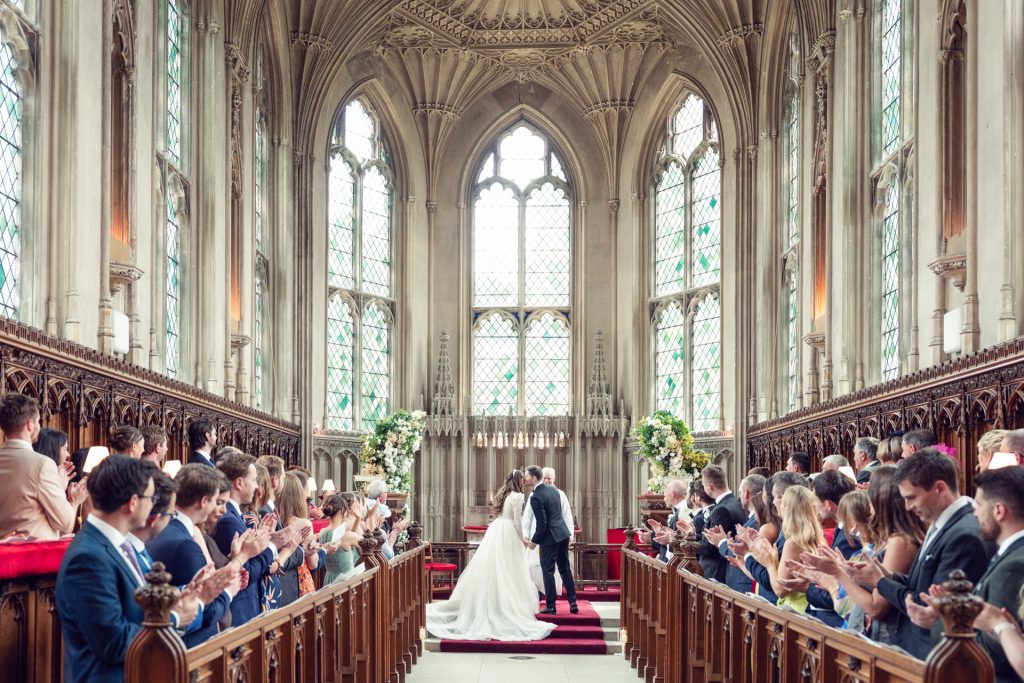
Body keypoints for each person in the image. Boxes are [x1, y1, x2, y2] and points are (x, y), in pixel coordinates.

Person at [55, 455, 197, 682]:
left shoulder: (117, 544)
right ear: (132, 503)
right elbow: (113, 642)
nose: (154, 506)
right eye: (150, 498)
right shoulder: (88, 558)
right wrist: (174, 618)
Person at [848, 448, 990, 659]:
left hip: (933, 653)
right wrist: (889, 576)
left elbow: (927, 603)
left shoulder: (963, 534)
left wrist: (880, 582)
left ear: (939, 488)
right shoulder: (940, 525)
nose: (907, 506)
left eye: (911, 497)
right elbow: (922, 583)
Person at [903, 466, 1024, 682]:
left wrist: (944, 619)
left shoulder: (1014, 565)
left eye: (978, 505)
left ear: (999, 511)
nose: (974, 512)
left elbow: (995, 651)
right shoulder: (1011, 554)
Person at [425, 469, 558, 641]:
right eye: (522, 480)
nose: (525, 482)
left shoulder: (505, 494)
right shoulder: (518, 496)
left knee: (495, 568)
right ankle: (503, 607)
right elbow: (517, 521)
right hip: (509, 532)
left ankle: (491, 603)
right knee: (509, 570)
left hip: (497, 530)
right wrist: (523, 539)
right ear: (519, 481)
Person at [146, 464, 242, 646]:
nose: (219, 508)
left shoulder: (167, 529)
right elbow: (205, 611)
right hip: (191, 650)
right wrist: (229, 591)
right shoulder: (186, 546)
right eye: (216, 501)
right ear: (204, 501)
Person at [213, 450, 296, 625]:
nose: (257, 486)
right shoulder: (228, 520)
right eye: (253, 480)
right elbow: (248, 571)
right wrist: (273, 545)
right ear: (239, 483)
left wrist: (264, 536)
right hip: (240, 611)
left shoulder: (235, 514)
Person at [0, 394, 85, 539]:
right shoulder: (42, 464)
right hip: (32, 555)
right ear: (30, 424)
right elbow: (65, 523)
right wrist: (75, 500)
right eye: (38, 421)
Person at [750, 485, 824, 613]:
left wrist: (770, 564)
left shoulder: (794, 542)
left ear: (789, 508)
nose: (776, 504)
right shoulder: (816, 536)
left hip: (795, 610)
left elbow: (780, 589)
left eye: (782, 502)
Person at [677, 465, 745, 584]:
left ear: (710, 486)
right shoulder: (735, 502)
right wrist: (693, 534)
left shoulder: (721, 509)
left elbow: (711, 548)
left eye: (703, 485)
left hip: (716, 570)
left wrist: (687, 541)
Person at [525, 464, 579, 615]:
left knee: (548, 571)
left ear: (534, 477)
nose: (525, 478)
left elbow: (542, 524)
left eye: (527, 475)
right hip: (562, 535)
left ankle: (551, 606)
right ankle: (573, 602)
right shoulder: (555, 490)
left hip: (549, 538)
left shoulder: (536, 496)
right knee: (565, 569)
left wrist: (534, 542)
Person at [318, 493, 363, 584]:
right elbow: (369, 546)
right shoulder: (348, 536)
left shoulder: (322, 532)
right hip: (345, 583)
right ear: (343, 510)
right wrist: (359, 518)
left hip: (329, 580)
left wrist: (357, 520)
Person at [639, 479, 687, 563]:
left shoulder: (684, 511)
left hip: (677, 561)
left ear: (672, 494)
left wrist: (654, 537)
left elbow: (681, 538)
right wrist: (658, 532)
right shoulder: (676, 511)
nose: (664, 500)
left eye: (665, 496)